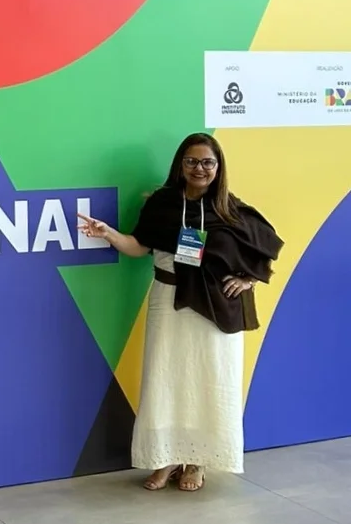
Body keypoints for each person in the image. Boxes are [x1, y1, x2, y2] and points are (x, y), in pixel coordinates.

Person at [78, 132, 283, 492]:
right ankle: (167, 458)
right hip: (168, 298)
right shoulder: (162, 203)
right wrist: (108, 233)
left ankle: (197, 461)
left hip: (215, 308)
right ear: (180, 165)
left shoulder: (229, 209)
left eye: (207, 162)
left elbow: (266, 247)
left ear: (218, 168)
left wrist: (248, 279)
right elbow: (139, 246)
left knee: (209, 381)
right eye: (191, 161)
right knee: (166, 379)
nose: (199, 169)